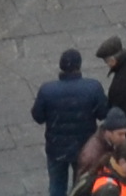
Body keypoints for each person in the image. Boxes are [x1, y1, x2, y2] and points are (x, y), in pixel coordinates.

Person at [31, 44, 111, 196]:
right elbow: (103, 113)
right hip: (84, 147)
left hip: (56, 148)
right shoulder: (92, 87)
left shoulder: (47, 90)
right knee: (82, 186)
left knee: (56, 186)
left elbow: (38, 117)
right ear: (79, 66)